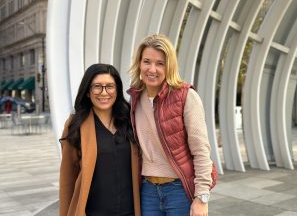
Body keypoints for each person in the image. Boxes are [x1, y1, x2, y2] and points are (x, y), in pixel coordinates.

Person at [127, 34, 217, 216]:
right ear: (139, 63)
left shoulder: (186, 96)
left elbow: (201, 150)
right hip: (147, 191)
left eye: (160, 63)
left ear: (169, 66)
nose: (152, 69)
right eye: (147, 61)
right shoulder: (134, 99)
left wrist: (202, 197)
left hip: (179, 191)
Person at [59, 63, 141, 216]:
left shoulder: (129, 121)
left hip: (129, 212)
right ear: (88, 92)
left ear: (117, 90)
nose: (104, 92)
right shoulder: (75, 125)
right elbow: (67, 179)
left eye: (110, 86)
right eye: (97, 86)